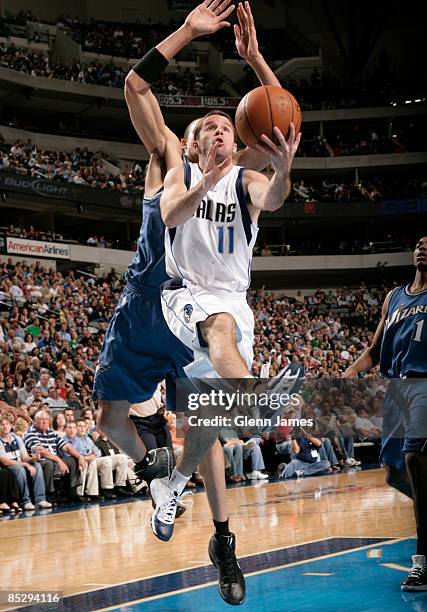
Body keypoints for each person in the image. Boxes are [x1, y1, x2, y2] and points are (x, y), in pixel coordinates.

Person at [95, 1, 290, 605]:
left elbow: (282, 122)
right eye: (202, 126)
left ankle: (223, 541)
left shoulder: (236, 175)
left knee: (206, 420)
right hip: (144, 306)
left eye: (221, 124)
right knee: (109, 421)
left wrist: (256, 60)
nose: (214, 129)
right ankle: (158, 467)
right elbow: (135, 84)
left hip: (191, 304)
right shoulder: (169, 164)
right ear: (185, 140)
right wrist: (188, 30)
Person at [344, 236, 427, 591]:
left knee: (414, 461)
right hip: (395, 391)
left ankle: (422, 562)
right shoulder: (395, 297)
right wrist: (347, 374)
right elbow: (375, 350)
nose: (424, 246)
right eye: (421, 242)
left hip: (423, 383)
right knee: (394, 474)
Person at [23, 411, 86, 503]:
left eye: (46, 420)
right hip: (39, 461)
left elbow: (66, 446)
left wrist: (80, 457)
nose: (44, 422)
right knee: (48, 463)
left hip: (55, 460)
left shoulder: (51, 433)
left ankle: (72, 492)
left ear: (49, 421)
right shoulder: (30, 433)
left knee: (73, 460)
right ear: (35, 421)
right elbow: (40, 450)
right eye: (41, 420)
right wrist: (59, 460)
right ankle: (50, 494)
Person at [0, 417, 52, 510]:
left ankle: (40, 499)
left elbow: (24, 457)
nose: (5, 427)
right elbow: (4, 461)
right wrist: (25, 464)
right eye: (2, 425)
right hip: (8, 467)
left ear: (11, 426)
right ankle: (25, 501)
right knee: (19, 469)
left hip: (20, 463)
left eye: (7, 424)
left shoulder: (17, 439)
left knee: (37, 465)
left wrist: (32, 459)